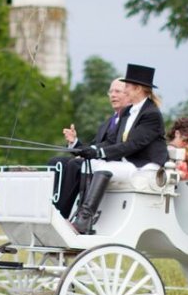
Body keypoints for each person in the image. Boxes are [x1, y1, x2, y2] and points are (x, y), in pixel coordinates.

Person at [56, 63, 169, 234]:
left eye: (127, 87)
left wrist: (99, 153)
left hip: (145, 166)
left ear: (138, 89)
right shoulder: (128, 112)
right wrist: (88, 151)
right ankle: (66, 214)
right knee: (88, 165)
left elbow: (133, 145)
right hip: (128, 162)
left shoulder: (151, 114)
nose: (125, 91)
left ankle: (85, 219)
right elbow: (112, 141)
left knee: (102, 167)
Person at [62, 79, 127, 150]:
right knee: (57, 160)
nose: (113, 95)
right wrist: (74, 142)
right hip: (97, 159)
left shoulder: (132, 121)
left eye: (117, 91)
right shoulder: (105, 124)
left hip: (117, 159)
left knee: (71, 161)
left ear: (129, 94)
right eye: (110, 92)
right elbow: (91, 148)